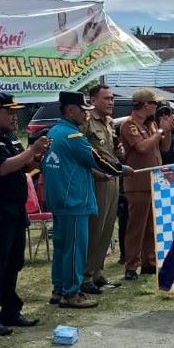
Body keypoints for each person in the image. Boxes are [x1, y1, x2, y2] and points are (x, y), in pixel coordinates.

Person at [0, 93, 48, 337]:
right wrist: (31, 150)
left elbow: (25, 166)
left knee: (14, 262)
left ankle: (10, 310)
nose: (14, 116)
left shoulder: (10, 138)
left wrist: (37, 155)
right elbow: (2, 168)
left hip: (14, 209)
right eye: (9, 111)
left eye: (15, 111)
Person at [45, 92, 125, 309]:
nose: (86, 114)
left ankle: (59, 288)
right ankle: (72, 293)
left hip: (61, 199)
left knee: (62, 248)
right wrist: (122, 169)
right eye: (82, 110)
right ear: (70, 110)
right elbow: (98, 160)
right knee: (75, 249)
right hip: (74, 200)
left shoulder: (54, 132)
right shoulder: (73, 137)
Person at [121, 88, 171, 280]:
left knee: (152, 226)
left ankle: (150, 263)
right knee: (137, 227)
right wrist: (159, 132)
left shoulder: (151, 126)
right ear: (144, 105)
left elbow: (163, 148)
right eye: (154, 104)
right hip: (138, 183)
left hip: (154, 181)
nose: (156, 107)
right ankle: (131, 265)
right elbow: (141, 148)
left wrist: (165, 131)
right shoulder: (129, 125)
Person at [80, 84, 125, 296]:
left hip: (113, 177)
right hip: (97, 179)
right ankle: (86, 275)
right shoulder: (86, 122)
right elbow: (81, 154)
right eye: (106, 98)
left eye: (112, 98)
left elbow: (110, 151)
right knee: (95, 228)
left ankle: (98, 272)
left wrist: (119, 151)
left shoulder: (109, 122)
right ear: (93, 100)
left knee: (108, 227)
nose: (111, 102)